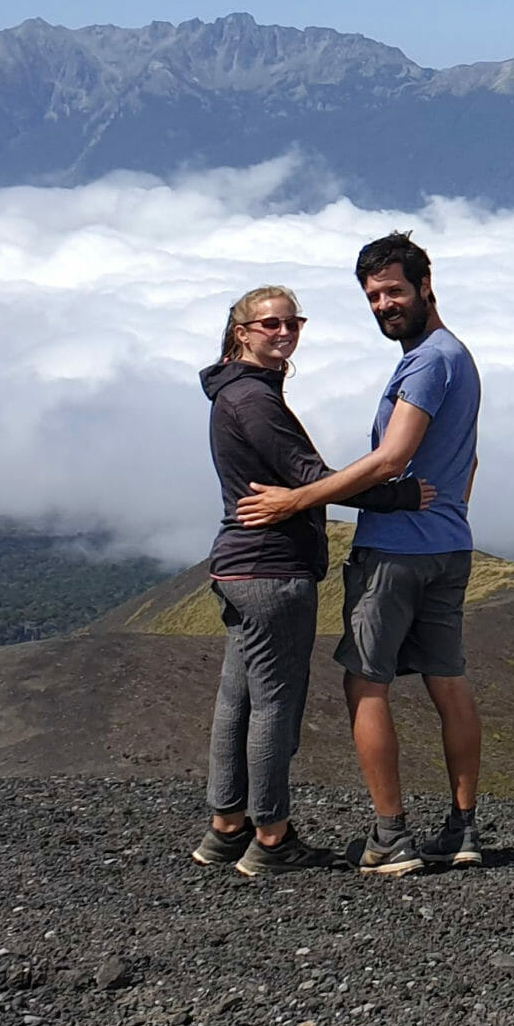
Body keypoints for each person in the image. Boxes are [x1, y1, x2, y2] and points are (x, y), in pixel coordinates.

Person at [236, 231, 485, 876]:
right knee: (448, 682)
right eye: (373, 296)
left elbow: (392, 458)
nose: (383, 305)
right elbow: (470, 458)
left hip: (396, 553)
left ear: (426, 285)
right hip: (450, 547)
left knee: (364, 681)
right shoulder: (458, 357)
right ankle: (462, 830)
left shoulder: (427, 361)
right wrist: (451, 512)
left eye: (394, 291)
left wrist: (297, 501)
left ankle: (389, 836)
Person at [194, 286, 431, 876]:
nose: (284, 332)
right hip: (273, 570)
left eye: (292, 322)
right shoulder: (254, 400)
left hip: (238, 566)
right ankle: (271, 839)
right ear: (241, 332)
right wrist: (401, 494)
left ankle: (227, 829)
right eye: (269, 323)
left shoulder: (237, 393)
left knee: (239, 699)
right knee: (275, 704)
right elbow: (309, 477)